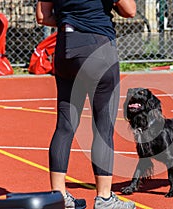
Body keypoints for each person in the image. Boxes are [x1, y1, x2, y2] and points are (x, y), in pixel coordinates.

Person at [36, 0, 136, 209]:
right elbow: (130, 10)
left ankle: (59, 195)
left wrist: (70, 18)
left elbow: (42, 17)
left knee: (64, 126)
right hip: (97, 45)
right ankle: (105, 198)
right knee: (102, 126)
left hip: (64, 48)